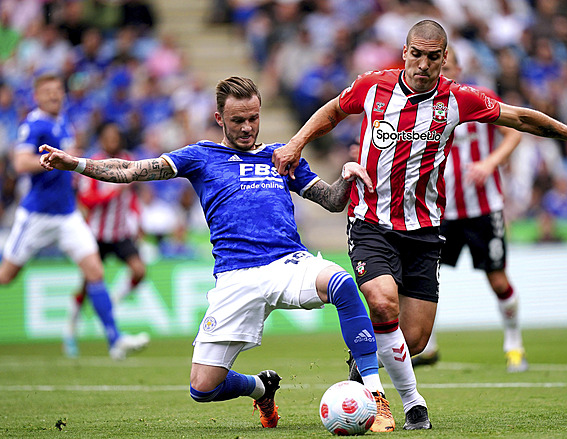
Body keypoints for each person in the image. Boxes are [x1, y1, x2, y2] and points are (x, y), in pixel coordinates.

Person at [271, 19, 567, 430]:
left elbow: (521, 120)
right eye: (416, 54)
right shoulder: (372, 87)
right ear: (405, 53)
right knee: (381, 302)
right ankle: (411, 404)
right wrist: (295, 142)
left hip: (425, 229)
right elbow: (332, 111)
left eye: (433, 57)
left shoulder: (459, 99)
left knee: (413, 339)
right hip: (370, 221)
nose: (423, 64)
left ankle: (362, 365)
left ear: (444, 59)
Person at [39, 76, 395, 432]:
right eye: (238, 120)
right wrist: (76, 164)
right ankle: (261, 387)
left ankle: (376, 396)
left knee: (343, 284)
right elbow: (131, 170)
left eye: (253, 118)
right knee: (202, 388)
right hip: (235, 277)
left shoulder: (282, 156)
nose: (247, 127)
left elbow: (332, 202)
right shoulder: (202, 157)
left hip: (288, 263)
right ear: (219, 118)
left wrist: (347, 176)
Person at [0, 73, 149, 360]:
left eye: (58, 91)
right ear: (37, 96)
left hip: (68, 214)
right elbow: (20, 162)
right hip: (37, 215)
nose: (55, 96)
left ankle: (114, 339)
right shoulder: (34, 124)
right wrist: (47, 161)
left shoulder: (63, 122)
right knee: (6, 276)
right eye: (48, 92)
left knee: (95, 271)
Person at [411, 47, 527, 372]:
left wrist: (490, 163)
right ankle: (428, 347)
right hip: (439, 212)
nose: (442, 73)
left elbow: (514, 132)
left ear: (460, 68)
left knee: (498, 280)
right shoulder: (422, 107)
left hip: (483, 209)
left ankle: (514, 344)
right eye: (437, 68)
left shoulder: (479, 98)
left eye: (447, 66)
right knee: (425, 278)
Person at [64, 121, 146, 358]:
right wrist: (112, 192)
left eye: (115, 136)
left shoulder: (129, 160)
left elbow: (131, 198)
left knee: (139, 271)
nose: (112, 140)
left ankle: (113, 304)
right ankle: (70, 330)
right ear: (101, 139)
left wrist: (138, 221)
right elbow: (86, 201)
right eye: (108, 136)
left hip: (120, 234)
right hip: (96, 236)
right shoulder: (92, 165)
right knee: (86, 286)